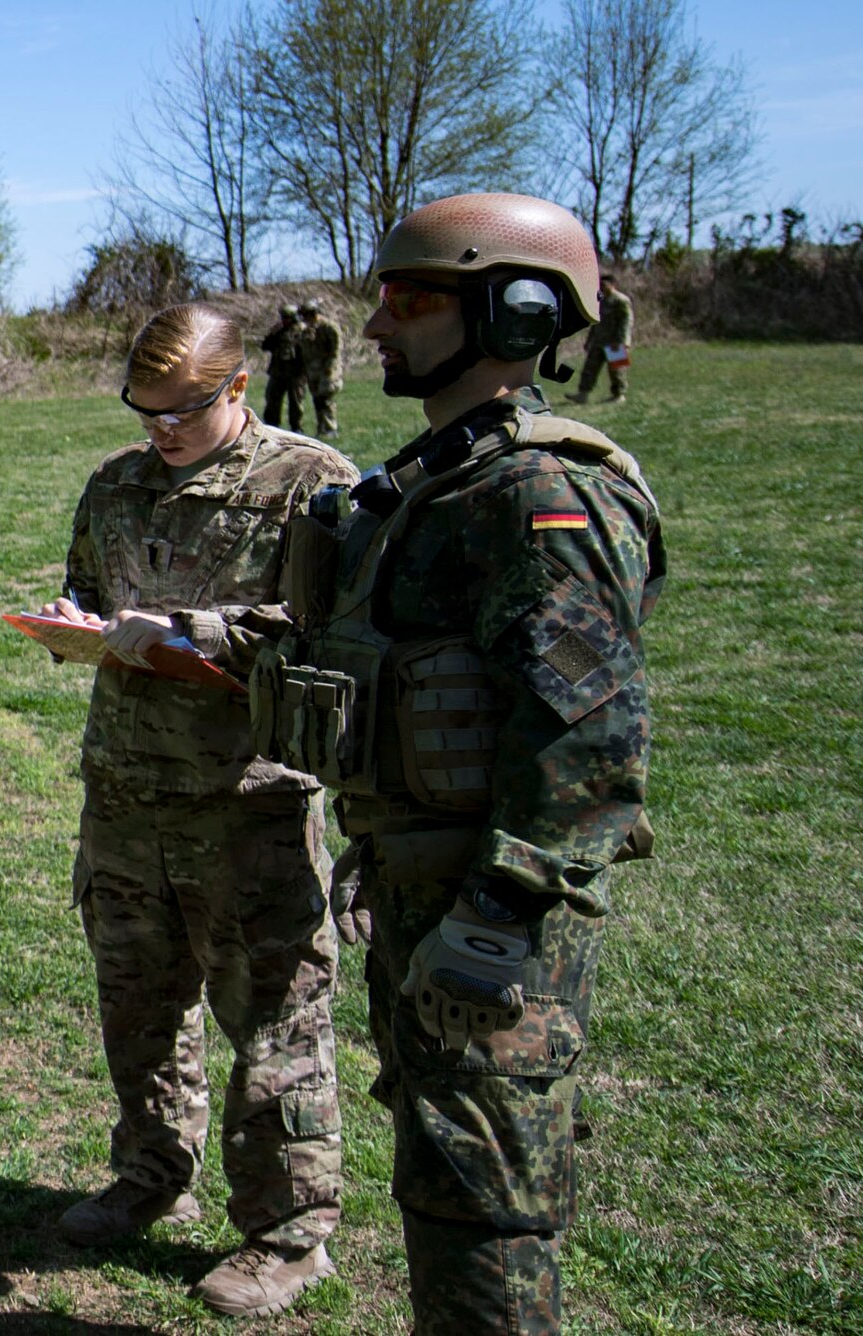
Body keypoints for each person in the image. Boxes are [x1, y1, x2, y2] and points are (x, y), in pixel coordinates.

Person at [252, 193, 664, 1332]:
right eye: (382, 296)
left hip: (487, 910)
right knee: (443, 1181)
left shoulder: (539, 492)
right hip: (420, 884)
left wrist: (492, 920)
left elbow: (587, 741)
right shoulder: (439, 476)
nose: (377, 326)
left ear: (518, 313)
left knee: (485, 1201)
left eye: (411, 297)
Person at [38, 303, 358, 1317]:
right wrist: (76, 627)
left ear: (236, 391)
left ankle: (286, 1233)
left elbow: (332, 636)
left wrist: (197, 633)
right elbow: (86, 588)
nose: (158, 433)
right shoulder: (116, 484)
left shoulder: (313, 486)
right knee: (137, 1007)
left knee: (270, 1025)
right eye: (143, 412)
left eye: (180, 413)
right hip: (126, 799)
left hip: (245, 806)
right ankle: (149, 1175)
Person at [570, 270, 633, 403]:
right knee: (589, 368)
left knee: (617, 369)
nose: (602, 287)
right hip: (599, 341)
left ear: (613, 285)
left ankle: (619, 395)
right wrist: (589, 341)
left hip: (615, 341)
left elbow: (626, 322)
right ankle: (583, 394)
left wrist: (624, 342)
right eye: (601, 285)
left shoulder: (621, 300)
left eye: (605, 285)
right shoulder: (601, 301)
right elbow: (595, 322)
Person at [298, 299, 344, 436]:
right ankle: (321, 428)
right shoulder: (306, 330)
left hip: (327, 370)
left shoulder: (329, 327)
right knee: (317, 399)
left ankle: (330, 428)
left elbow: (336, 350)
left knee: (326, 399)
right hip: (312, 370)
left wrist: (330, 369)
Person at [260, 303, 307, 431]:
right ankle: (271, 425)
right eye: (283, 317)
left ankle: (296, 427)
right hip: (277, 371)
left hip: (296, 373)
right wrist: (272, 333)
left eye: (287, 318)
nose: (284, 320)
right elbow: (265, 346)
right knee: (272, 399)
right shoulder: (278, 330)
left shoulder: (302, 330)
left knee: (296, 402)